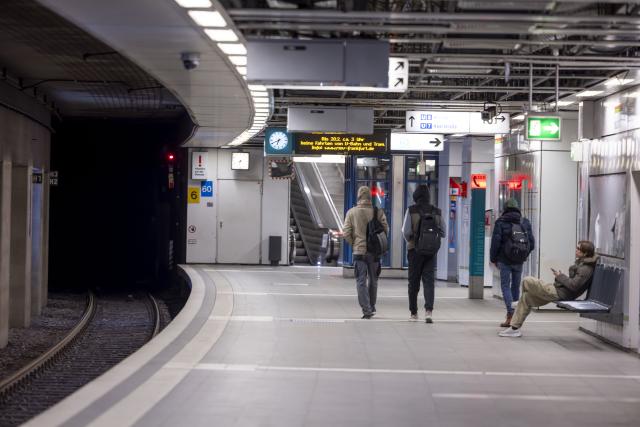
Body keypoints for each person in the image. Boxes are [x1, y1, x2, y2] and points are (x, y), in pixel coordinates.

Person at [499, 240, 598, 337]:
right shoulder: (582, 264)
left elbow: (574, 286)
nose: (576, 250)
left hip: (559, 293)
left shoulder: (586, 269)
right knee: (526, 298)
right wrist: (560, 276)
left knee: (527, 280)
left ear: (585, 253)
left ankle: (519, 303)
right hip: (559, 290)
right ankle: (514, 329)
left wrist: (560, 276)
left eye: (578, 249)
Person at [343, 186, 389, 319]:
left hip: (359, 252)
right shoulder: (378, 212)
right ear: (370, 197)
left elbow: (346, 233)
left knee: (361, 281)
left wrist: (354, 244)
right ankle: (372, 306)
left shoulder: (351, 212)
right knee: (373, 280)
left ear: (358, 197)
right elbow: (386, 230)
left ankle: (366, 309)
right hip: (374, 252)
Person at [402, 184, 445, 323]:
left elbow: (406, 232)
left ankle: (414, 313)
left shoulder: (411, 210)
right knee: (429, 281)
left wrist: (412, 241)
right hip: (431, 252)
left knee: (413, 282)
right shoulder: (437, 211)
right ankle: (428, 312)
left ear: (416, 196)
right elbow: (443, 231)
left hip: (414, 251)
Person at [489, 198, 535, 327]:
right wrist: (523, 254)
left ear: (505, 209)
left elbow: (495, 243)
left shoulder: (501, 222)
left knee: (505, 285)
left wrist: (493, 258)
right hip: (519, 260)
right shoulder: (525, 222)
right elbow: (531, 243)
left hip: (504, 259)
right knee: (515, 286)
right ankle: (515, 316)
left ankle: (510, 313)